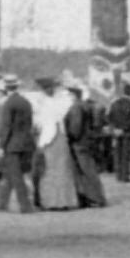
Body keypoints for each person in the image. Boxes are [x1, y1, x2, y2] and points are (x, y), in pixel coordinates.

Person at [0, 75, 35, 214]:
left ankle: (25, 205)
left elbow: (7, 126)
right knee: (10, 174)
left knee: (16, 176)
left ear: (5, 87)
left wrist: (1, 144)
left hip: (13, 145)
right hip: (26, 143)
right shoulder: (25, 101)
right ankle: (2, 203)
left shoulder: (8, 103)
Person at [34, 78, 78, 210]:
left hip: (50, 138)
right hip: (59, 137)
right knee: (62, 170)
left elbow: (42, 124)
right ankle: (64, 201)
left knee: (50, 170)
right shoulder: (63, 101)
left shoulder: (46, 103)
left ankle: (51, 201)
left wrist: (41, 142)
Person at [66, 86, 106, 207]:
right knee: (87, 170)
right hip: (86, 141)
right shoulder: (84, 106)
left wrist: (70, 136)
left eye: (69, 95)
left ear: (73, 95)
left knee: (86, 170)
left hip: (79, 143)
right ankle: (91, 196)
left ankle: (96, 197)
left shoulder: (76, 107)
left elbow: (75, 128)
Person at [107, 83, 130, 182]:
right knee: (125, 155)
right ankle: (125, 176)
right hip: (126, 133)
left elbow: (109, 117)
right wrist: (124, 129)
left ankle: (118, 176)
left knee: (117, 155)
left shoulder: (114, 103)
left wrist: (115, 129)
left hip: (116, 133)